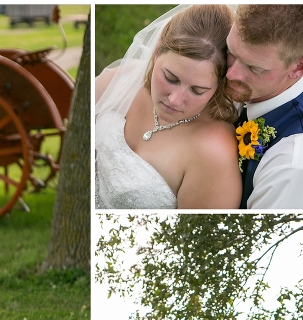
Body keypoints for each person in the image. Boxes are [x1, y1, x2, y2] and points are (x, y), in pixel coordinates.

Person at [95, 5, 241, 209]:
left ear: (219, 85)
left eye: (197, 90)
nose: (174, 100)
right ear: (156, 54)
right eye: (170, 78)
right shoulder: (123, 80)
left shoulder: (213, 152)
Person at [227, 5, 303, 208]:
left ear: (299, 67)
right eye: (231, 52)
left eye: (254, 68)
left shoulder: (297, 169)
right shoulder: (263, 84)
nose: (231, 75)